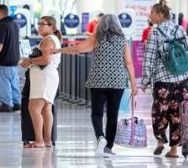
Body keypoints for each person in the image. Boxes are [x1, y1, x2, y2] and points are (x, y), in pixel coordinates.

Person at [56, 14, 138, 157]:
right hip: (117, 82)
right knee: (113, 115)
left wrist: (58, 50)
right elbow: (129, 63)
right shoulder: (122, 40)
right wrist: (134, 84)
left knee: (97, 112)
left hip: (98, 80)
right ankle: (108, 148)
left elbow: (78, 49)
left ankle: (100, 137)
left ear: (101, 24)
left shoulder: (96, 37)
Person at [142, 2, 188, 158]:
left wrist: (146, 80)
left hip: (163, 80)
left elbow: (149, 59)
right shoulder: (180, 29)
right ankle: (174, 150)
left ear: (160, 15)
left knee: (159, 111)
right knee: (178, 114)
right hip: (182, 79)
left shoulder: (155, 33)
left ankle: (161, 141)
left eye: (152, 12)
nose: (150, 15)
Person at [19, 16, 62, 148]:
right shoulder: (50, 39)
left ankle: (39, 140)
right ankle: (47, 140)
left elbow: (46, 59)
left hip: (44, 77)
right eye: (38, 24)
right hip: (47, 77)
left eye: (43, 24)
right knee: (46, 109)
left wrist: (30, 61)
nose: (39, 26)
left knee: (34, 107)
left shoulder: (48, 40)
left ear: (51, 27)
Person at [0, 4, 22, 112]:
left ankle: (6, 103)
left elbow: (0, 43)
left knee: (3, 82)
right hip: (14, 59)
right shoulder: (14, 24)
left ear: (0, 12)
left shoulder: (2, 25)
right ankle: (16, 102)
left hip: (4, 60)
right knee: (13, 82)